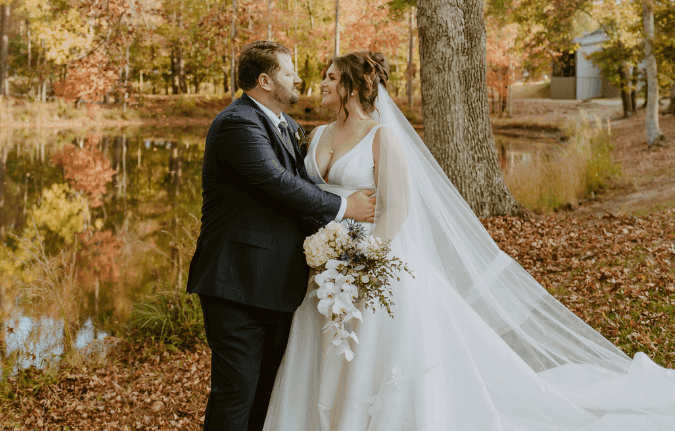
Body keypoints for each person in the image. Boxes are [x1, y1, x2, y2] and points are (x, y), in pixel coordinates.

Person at [264, 50, 675, 431]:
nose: (320, 84)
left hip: (372, 261)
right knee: (320, 351)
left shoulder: (382, 138)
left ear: (352, 88)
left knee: (369, 352)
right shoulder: (314, 137)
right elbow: (309, 197)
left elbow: (397, 209)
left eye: (330, 78)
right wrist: (325, 251)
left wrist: (365, 259)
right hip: (323, 264)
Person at [186, 41, 377, 431]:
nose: (298, 79)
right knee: (236, 392)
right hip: (236, 283)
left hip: (278, 283)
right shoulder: (237, 124)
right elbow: (278, 183)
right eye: (289, 73)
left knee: (265, 396)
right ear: (265, 81)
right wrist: (345, 208)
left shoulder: (288, 127)